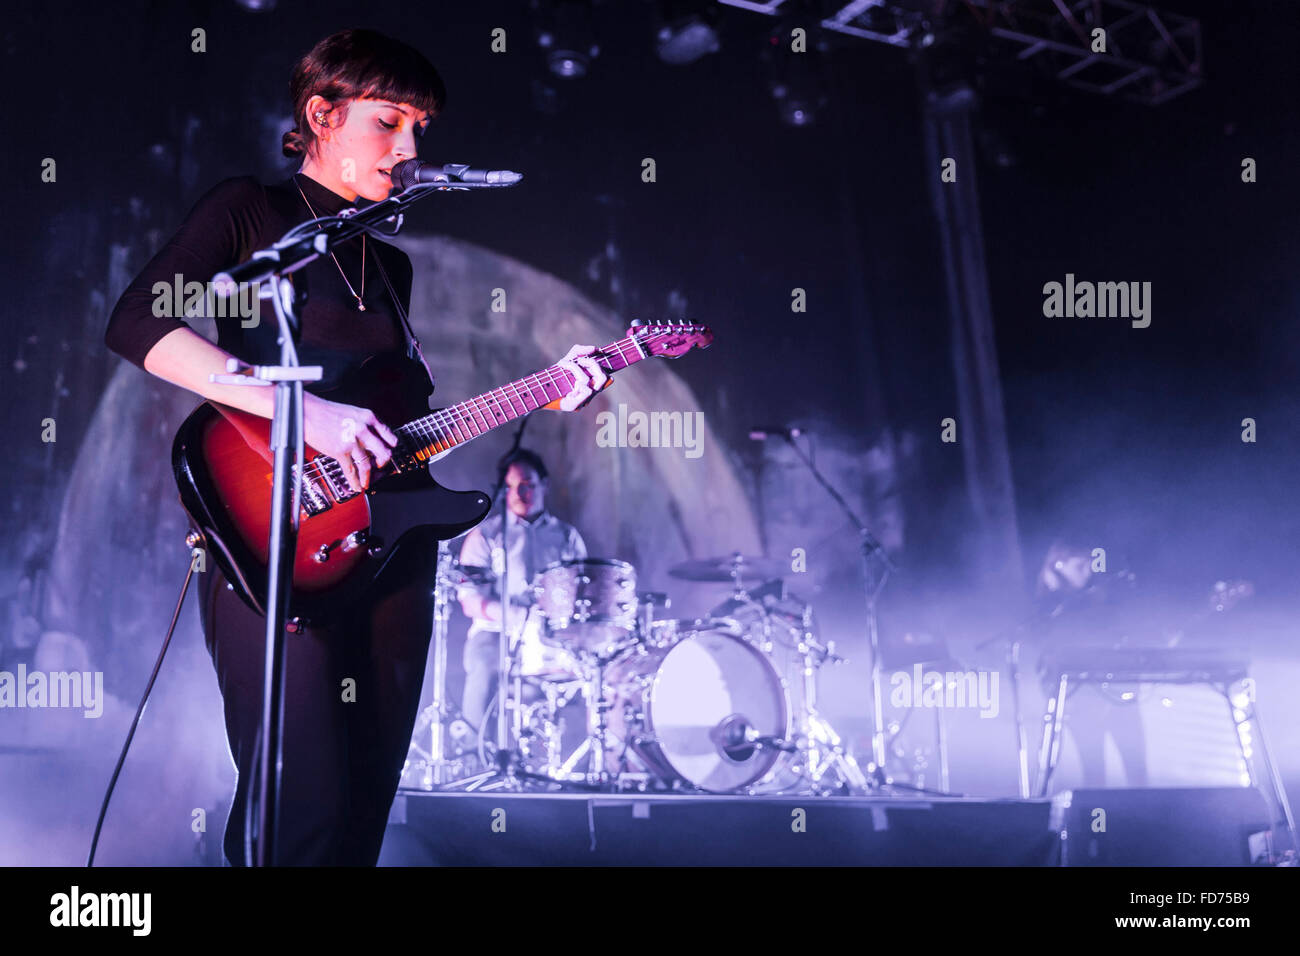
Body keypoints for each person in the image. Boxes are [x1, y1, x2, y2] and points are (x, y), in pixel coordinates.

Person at [103, 28, 607, 865]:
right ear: (321, 115)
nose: (409, 148)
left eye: (420, 129)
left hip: (392, 549)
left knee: (363, 807)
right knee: (301, 803)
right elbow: (136, 324)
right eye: (389, 121)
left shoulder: (390, 268)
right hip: (276, 538)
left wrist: (550, 386)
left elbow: (400, 428)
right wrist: (301, 413)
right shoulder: (252, 212)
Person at [457, 449, 587, 735]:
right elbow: (470, 600)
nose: (518, 493)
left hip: (551, 635)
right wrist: (518, 616)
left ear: (545, 485)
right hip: (495, 632)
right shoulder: (486, 535)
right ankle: (474, 750)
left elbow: (581, 591)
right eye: (510, 486)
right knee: (484, 666)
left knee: (584, 676)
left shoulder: (566, 537)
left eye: (527, 484)